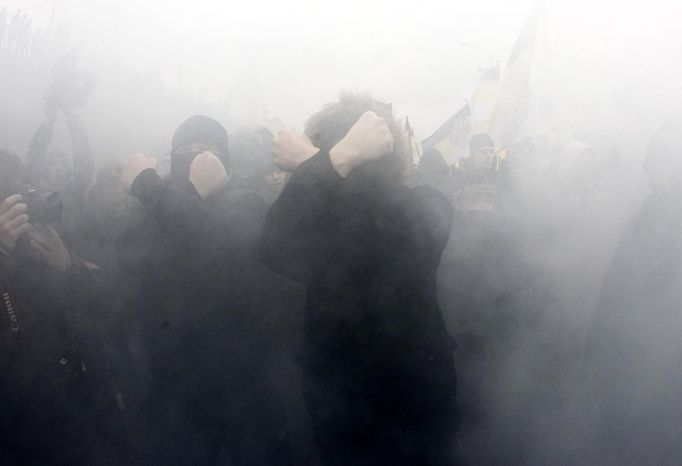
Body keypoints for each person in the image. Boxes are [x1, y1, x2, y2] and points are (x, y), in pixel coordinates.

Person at [260, 94, 460, 465]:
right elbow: (274, 246)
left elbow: (392, 229)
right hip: (346, 415)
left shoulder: (426, 204)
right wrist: (333, 163)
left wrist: (323, 163)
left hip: (413, 414)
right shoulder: (319, 228)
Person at [117, 115, 292, 465]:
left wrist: (153, 186)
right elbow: (129, 257)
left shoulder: (246, 203)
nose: (195, 159)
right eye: (186, 152)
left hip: (242, 387)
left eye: (206, 151)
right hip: (174, 386)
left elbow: (231, 250)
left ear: (224, 160)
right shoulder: (156, 211)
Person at [0, 150, 116, 465]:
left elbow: (107, 303)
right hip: (14, 418)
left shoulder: (34, 238)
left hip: (63, 404)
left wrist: (67, 266)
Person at [585, 120, 682, 464]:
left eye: (655, 162)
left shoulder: (664, 214)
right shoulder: (652, 211)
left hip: (655, 366)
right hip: (635, 359)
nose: (646, 170)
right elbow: (620, 284)